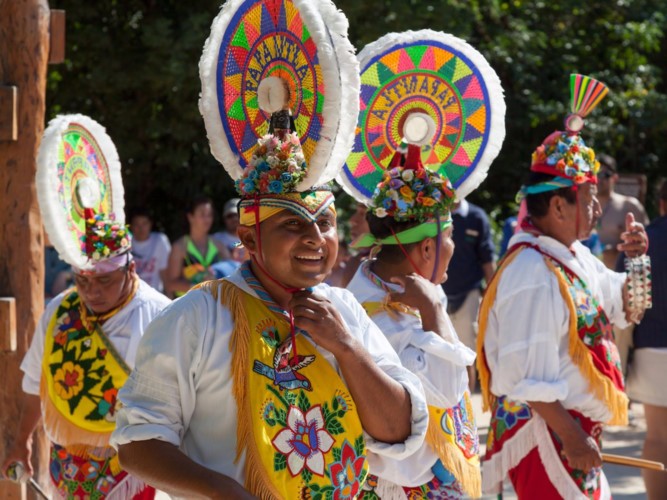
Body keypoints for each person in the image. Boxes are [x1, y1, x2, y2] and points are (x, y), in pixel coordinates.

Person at [110, 7, 428, 497]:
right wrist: (224, 492)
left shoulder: (343, 312)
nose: (315, 239)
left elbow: (397, 430)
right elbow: (138, 441)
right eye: (291, 226)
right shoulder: (197, 317)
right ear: (250, 238)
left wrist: (344, 345)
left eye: (324, 223)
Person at [477, 75, 650, 499]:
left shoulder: (572, 257)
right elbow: (522, 379)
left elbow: (628, 308)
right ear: (557, 205)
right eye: (589, 200)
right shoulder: (531, 272)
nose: (597, 210)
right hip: (548, 435)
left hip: (567, 432)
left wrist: (638, 259)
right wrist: (572, 437)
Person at [1, 114, 171, 499]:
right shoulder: (61, 309)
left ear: (131, 268)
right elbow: (34, 381)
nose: (91, 292)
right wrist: (22, 442)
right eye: (82, 281)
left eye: (104, 281)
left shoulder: (160, 314)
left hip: (133, 472)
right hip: (66, 469)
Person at [347, 138, 481, 497]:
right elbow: (449, 390)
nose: (453, 248)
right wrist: (433, 311)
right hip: (406, 485)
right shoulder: (379, 317)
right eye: (449, 237)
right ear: (426, 248)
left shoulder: (401, 287)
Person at [624, 179, 667, 499]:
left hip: (653, 345)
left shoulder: (644, 241)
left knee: (658, 438)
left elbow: (628, 301)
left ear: (661, 204)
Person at [442, 199, 496, 391]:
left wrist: (493, 299)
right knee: (440, 355)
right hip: (436, 294)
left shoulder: (476, 217)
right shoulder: (432, 213)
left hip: (469, 294)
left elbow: (487, 259)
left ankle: (466, 413)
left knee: (465, 355)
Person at [165, 194, 230, 297]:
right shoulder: (180, 247)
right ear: (190, 217)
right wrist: (199, 286)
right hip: (189, 307)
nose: (207, 219)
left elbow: (231, 273)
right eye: (202, 214)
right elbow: (170, 284)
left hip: (214, 305)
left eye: (209, 215)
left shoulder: (219, 245)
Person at [596, 153, 649, 269]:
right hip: (589, 279)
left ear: (615, 177)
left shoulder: (629, 206)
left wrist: (617, 251)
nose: (599, 178)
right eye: (595, 173)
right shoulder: (582, 206)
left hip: (620, 277)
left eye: (605, 174)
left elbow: (647, 244)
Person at [129, 207, 171, 294]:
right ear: (131, 226)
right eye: (137, 224)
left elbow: (165, 272)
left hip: (155, 293)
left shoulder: (159, 240)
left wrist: (169, 296)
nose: (141, 228)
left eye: (144, 223)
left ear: (150, 224)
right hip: (131, 295)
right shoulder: (126, 242)